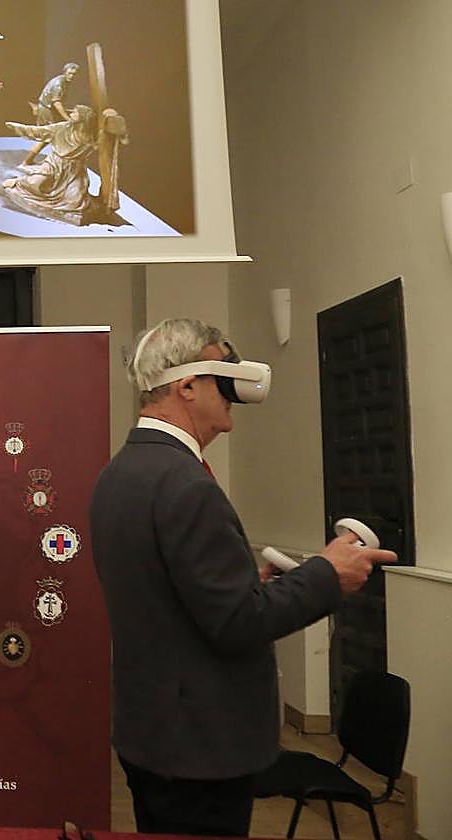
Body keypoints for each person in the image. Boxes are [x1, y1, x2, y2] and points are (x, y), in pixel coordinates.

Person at [90, 319, 396, 837]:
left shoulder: (120, 474)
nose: (236, 391)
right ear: (187, 385)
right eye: (224, 374)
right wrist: (328, 574)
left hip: (154, 736)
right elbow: (236, 622)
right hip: (199, 749)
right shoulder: (185, 484)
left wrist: (248, 580)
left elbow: (171, 595)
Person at [23, 61, 78, 166]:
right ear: (65, 72)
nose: (72, 76)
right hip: (47, 111)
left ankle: (32, 161)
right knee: (49, 137)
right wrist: (67, 118)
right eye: (70, 73)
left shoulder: (63, 82)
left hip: (49, 110)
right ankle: (27, 161)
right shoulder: (59, 84)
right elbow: (56, 103)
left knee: (51, 137)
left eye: (74, 74)